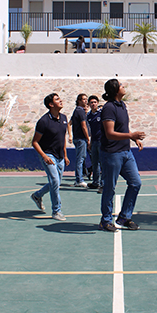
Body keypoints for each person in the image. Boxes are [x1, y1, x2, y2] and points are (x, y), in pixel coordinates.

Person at [99, 79, 145, 232]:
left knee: (136, 183)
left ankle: (124, 217)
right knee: (109, 188)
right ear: (115, 89)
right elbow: (110, 134)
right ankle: (105, 221)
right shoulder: (109, 108)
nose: (124, 87)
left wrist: (134, 138)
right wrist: (130, 135)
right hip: (112, 154)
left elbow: (123, 128)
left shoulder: (123, 106)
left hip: (126, 152)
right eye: (121, 85)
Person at [31, 93, 70, 221]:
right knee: (54, 181)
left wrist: (65, 155)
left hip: (60, 156)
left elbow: (62, 138)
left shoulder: (63, 118)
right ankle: (56, 211)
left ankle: (37, 195)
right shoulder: (43, 121)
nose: (61, 100)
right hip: (48, 154)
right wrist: (43, 156)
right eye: (57, 99)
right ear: (51, 104)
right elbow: (35, 142)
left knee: (56, 182)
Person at [70, 93, 91, 188]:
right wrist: (88, 138)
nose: (85, 101)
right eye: (83, 99)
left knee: (82, 158)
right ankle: (79, 179)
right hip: (81, 138)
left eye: (86, 99)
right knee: (80, 159)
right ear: (78, 101)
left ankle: (83, 175)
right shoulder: (80, 111)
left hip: (78, 138)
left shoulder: (79, 111)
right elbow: (83, 126)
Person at [86, 95, 102, 190]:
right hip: (94, 141)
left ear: (97, 103)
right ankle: (95, 182)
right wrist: (90, 141)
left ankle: (103, 183)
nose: (93, 104)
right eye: (91, 102)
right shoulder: (89, 116)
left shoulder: (101, 113)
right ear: (89, 104)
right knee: (95, 163)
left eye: (95, 102)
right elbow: (91, 130)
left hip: (101, 141)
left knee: (102, 163)